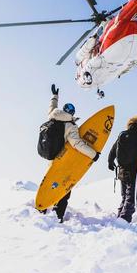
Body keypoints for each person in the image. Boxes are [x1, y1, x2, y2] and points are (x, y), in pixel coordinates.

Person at [45, 84, 100, 222]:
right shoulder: (70, 125)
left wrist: (54, 96)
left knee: (50, 184)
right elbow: (77, 144)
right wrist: (93, 154)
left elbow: (51, 108)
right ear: (72, 114)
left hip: (51, 159)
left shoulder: (53, 116)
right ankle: (58, 215)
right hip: (63, 159)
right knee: (64, 188)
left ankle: (42, 209)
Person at [108, 115, 137, 223]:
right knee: (131, 198)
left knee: (125, 196)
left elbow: (114, 149)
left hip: (122, 170)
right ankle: (123, 220)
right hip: (135, 171)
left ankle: (120, 216)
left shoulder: (123, 134)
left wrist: (110, 162)